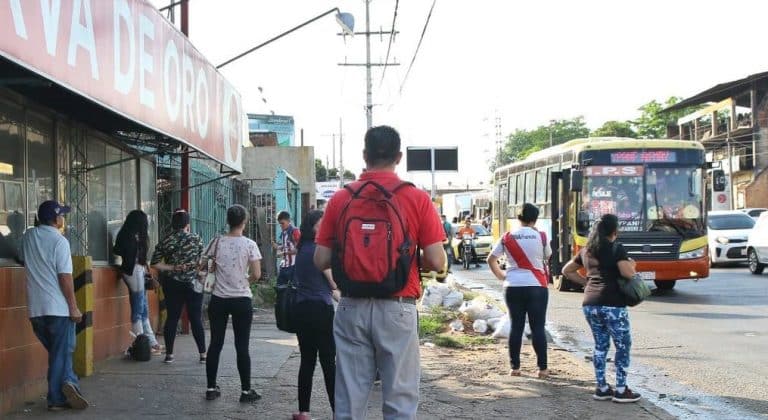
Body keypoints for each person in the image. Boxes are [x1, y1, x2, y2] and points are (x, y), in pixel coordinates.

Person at [314, 125, 446, 419]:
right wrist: (408, 260)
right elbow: (437, 261)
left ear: (364, 155)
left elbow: (320, 260)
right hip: (397, 308)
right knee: (400, 400)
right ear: (399, 157)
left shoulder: (340, 199)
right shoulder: (416, 198)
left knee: (349, 401)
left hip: (350, 307)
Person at [561, 213, 641, 403]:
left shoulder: (586, 250)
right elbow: (627, 273)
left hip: (590, 304)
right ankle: (621, 390)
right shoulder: (616, 248)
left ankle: (602, 388)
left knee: (600, 345)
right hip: (612, 304)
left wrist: (586, 283)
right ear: (614, 231)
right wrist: (632, 264)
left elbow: (566, 271)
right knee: (622, 345)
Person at [20, 200, 89, 411]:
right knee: (62, 352)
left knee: (59, 353)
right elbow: (65, 277)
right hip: (58, 309)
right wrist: (74, 307)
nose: (64, 219)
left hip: (36, 310)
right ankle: (57, 397)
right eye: (62, 215)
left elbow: (22, 259)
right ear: (56, 218)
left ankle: (70, 383)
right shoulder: (60, 242)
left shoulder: (28, 237)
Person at [202, 205, 262, 402]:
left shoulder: (216, 242)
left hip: (218, 300)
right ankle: (246, 391)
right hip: (241, 300)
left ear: (228, 221)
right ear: (244, 221)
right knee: (242, 346)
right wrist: (245, 280)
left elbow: (200, 265)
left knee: (215, 344)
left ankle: (211, 388)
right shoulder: (250, 244)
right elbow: (256, 274)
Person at [487, 203, 551, 378]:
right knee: (538, 327)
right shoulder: (542, 237)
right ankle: (542, 369)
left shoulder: (507, 237)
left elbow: (491, 259)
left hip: (513, 286)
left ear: (518, 218)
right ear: (535, 219)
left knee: (516, 326)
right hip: (537, 286)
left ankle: (515, 368)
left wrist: (501, 275)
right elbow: (547, 256)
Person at [292, 210, 340, 420]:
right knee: (329, 362)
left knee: (307, 361)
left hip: (302, 310)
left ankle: (304, 411)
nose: (325, 227)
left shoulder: (301, 249)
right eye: (322, 224)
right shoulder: (318, 251)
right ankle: (338, 410)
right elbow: (332, 283)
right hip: (321, 310)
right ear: (313, 227)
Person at [150, 210, 206, 364]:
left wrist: (173, 267)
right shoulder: (197, 239)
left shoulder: (166, 241)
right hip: (193, 283)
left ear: (173, 224)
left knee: (172, 318)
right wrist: (196, 270)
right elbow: (203, 262)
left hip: (172, 284)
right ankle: (203, 354)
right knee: (195, 318)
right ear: (187, 224)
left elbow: (154, 263)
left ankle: (169, 355)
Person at [113, 210, 162, 354]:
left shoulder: (128, 234)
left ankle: (150, 341)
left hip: (134, 272)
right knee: (139, 309)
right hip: (134, 272)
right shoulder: (136, 236)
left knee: (143, 308)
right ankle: (142, 343)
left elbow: (117, 250)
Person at [275, 210, 301, 283]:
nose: (281, 225)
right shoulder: (284, 232)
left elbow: (298, 250)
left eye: (282, 223)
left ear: (289, 221)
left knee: (294, 288)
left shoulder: (295, 231)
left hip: (293, 266)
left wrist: (283, 253)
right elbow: (286, 245)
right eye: (279, 224)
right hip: (284, 265)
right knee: (280, 288)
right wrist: (278, 247)